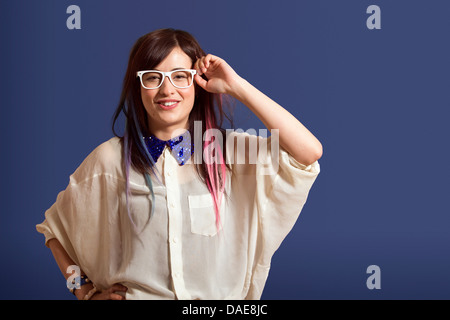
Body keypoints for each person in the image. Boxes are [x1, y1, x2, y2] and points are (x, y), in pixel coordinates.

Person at [36, 28, 322, 300]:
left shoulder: (229, 151)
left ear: (196, 84)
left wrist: (237, 86)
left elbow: (308, 152)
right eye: (152, 77)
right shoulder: (109, 159)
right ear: (138, 87)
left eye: (180, 76)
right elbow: (54, 231)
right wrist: (82, 291)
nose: (166, 89)